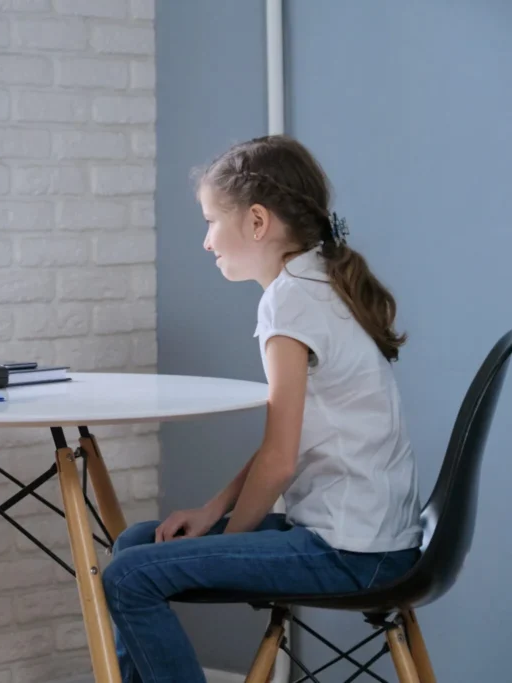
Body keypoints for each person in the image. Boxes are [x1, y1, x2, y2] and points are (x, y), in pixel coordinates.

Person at [102, 135, 423, 683]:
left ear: (256, 222)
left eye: (210, 222)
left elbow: (279, 462)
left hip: (351, 552)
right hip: (373, 537)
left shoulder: (288, 302)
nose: (206, 242)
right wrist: (211, 512)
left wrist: (225, 548)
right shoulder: (318, 279)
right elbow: (286, 442)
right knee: (135, 544)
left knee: (130, 577)